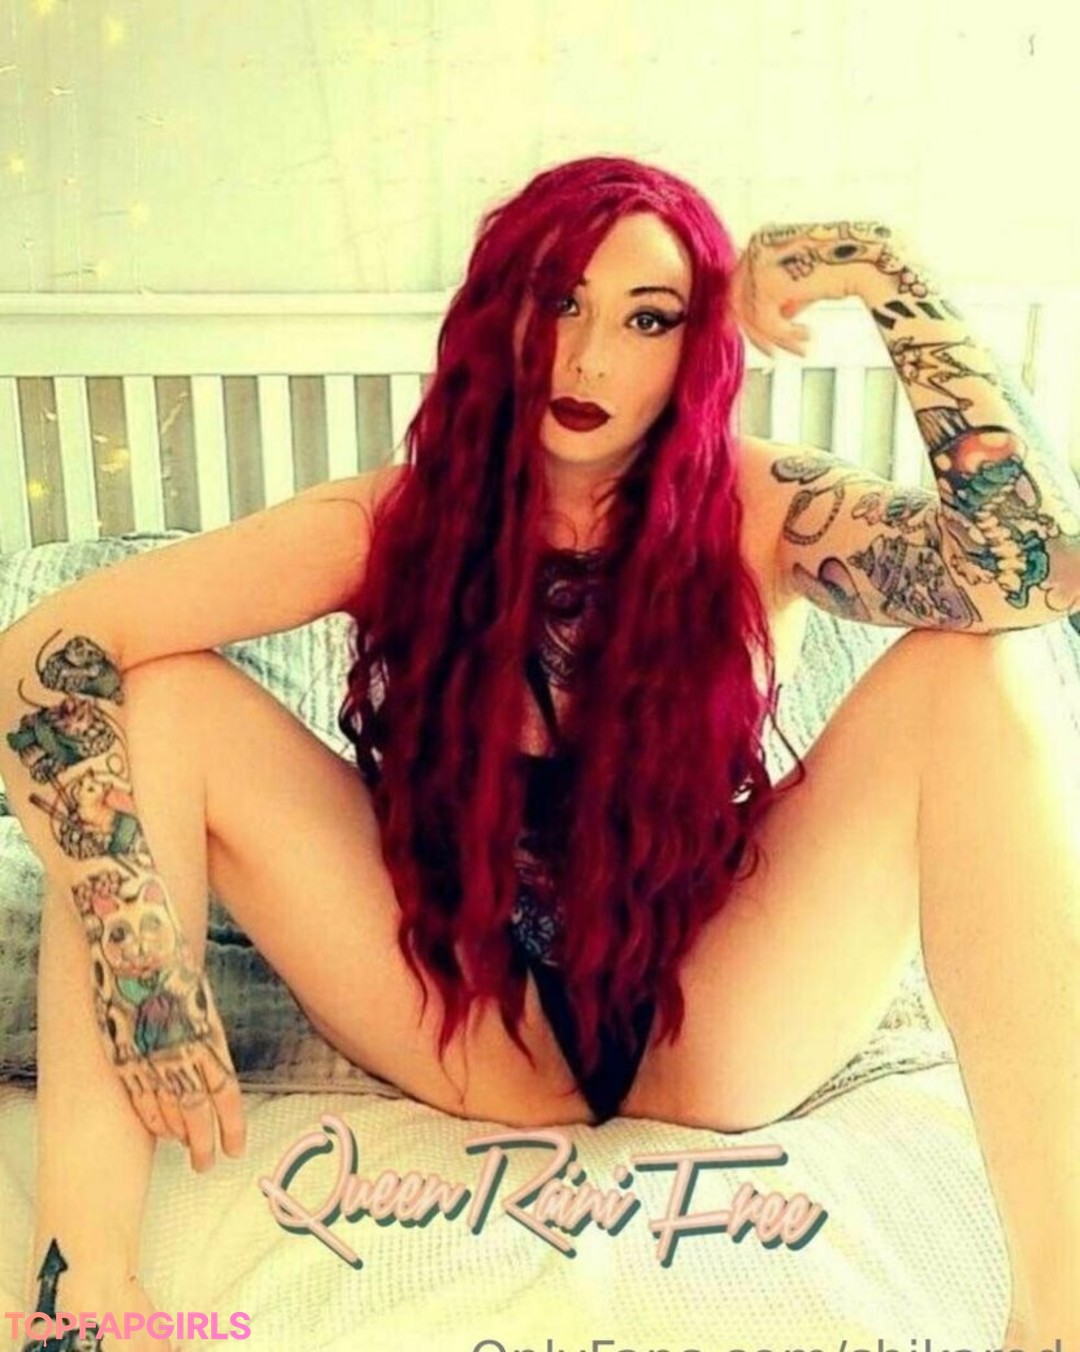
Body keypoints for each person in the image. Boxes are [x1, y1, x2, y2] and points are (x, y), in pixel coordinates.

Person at [1, 154, 1078, 1350]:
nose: (590, 359)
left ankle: (1059, 1317)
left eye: (647, 318)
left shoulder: (761, 504)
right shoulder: (386, 522)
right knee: (157, 696)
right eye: (559, 301)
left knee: (983, 670)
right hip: (472, 1014)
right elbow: (39, 654)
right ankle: (82, 1287)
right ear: (499, 316)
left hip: (714, 1008)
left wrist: (881, 265)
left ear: (699, 344)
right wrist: (138, 945)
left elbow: (1031, 571)